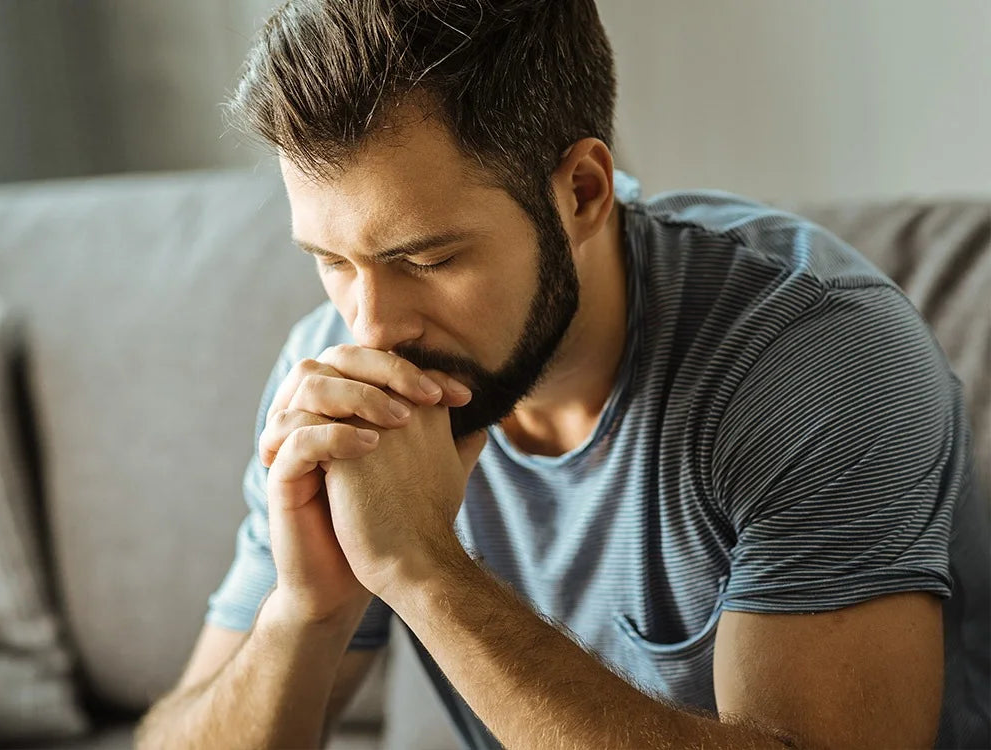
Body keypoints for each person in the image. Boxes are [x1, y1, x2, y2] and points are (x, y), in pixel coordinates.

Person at [136, 2, 990, 748]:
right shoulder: (332, 380)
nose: (371, 325)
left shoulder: (814, 360)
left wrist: (425, 574)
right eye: (329, 260)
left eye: (428, 258)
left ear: (583, 190)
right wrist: (305, 611)